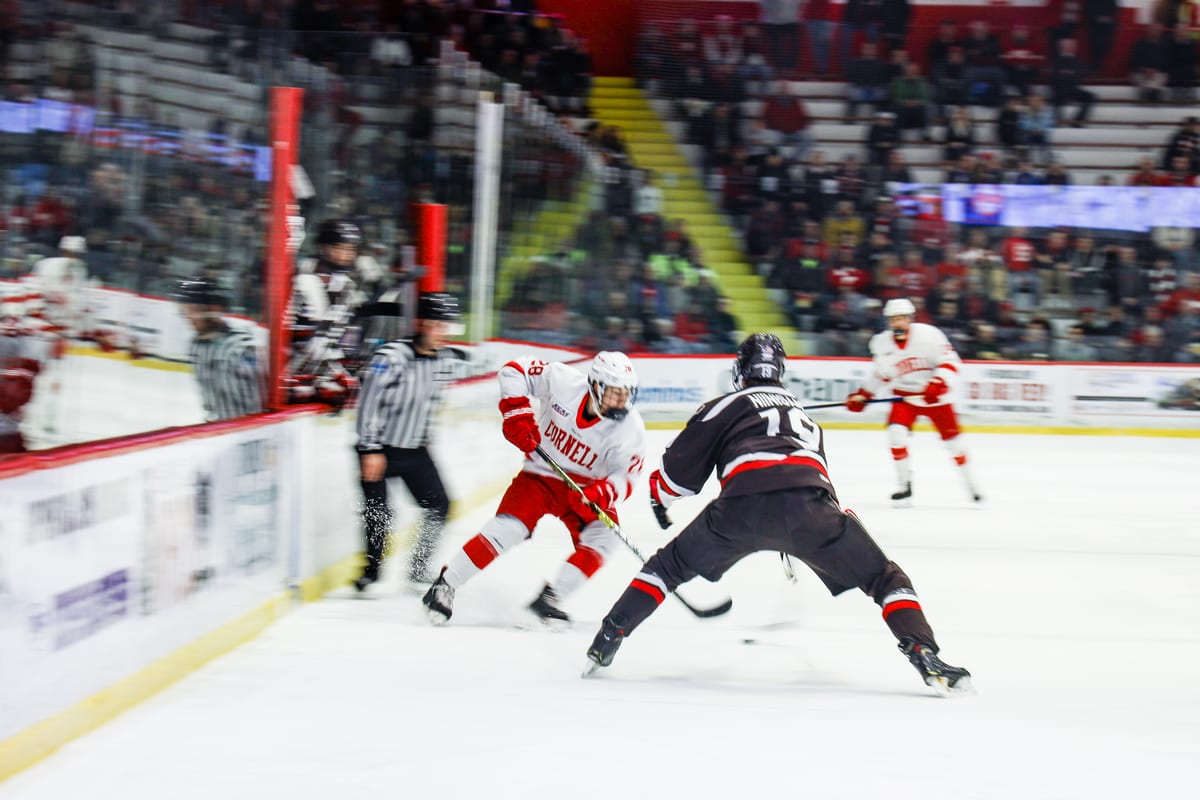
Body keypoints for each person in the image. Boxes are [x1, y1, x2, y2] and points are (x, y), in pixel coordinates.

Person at [583, 334, 972, 696]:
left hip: (740, 510)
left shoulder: (723, 405)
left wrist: (659, 500)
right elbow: (816, 475)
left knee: (666, 568)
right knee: (884, 578)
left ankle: (609, 636)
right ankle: (924, 652)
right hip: (812, 511)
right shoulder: (804, 416)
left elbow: (675, 479)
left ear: (740, 370)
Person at [422, 351, 646, 625]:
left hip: (583, 491)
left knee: (604, 539)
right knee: (509, 529)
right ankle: (445, 584)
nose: (622, 401)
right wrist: (516, 411)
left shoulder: (631, 430)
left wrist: (602, 493)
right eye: (614, 393)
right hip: (540, 476)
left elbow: (626, 476)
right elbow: (514, 369)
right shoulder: (563, 381)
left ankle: (550, 599)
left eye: (626, 393)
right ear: (595, 387)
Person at [353, 292, 469, 591]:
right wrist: (370, 448)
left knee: (440, 505)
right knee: (378, 512)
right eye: (437, 325)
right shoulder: (390, 358)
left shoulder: (444, 359)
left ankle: (418, 568)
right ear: (420, 324)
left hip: (415, 449)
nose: (443, 333)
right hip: (379, 449)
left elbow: (430, 399)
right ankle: (372, 571)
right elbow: (368, 403)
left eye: (446, 326)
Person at [845, 297, 981, 504]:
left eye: (901, 318)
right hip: (905, 397)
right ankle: (904, 486)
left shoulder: (930, 336)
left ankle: (972, 487)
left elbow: (951, 362)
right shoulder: (881, 343)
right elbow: (881, 374)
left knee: (955, 445)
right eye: (893, 319)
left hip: (936, 398)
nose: (897, 323)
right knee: (896, 435)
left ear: (910, 319)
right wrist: (864, 394)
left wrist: (938, 382)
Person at [287, 218, 365, 408]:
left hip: (317, 372)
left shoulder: (346, 285)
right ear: (324, 247)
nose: (345, 254)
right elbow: (297, 338)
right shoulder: (301, 279)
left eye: (350, 249)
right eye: (339, 247)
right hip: (290, 374)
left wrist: (335, 373)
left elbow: (331, 341)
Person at [176, 276, 265, 421]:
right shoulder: (195, 346)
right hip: (218, 434)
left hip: (250, 433)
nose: (188, 316)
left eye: (194, 309)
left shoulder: (241, 347)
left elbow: (262, 397)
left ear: (213, 309)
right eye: (185, 309)